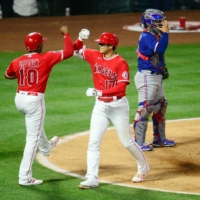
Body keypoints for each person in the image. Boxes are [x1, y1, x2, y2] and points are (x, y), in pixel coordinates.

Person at [73, 29, 150, 189]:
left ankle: (143, 169)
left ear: (111, 45)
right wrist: (80, 38)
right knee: (93, 142)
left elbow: (121, 87)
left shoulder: (120, 62)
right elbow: (74, 50)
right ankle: (92, 178)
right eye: (99, 43)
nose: (99, 45)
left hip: (118, 106)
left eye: (102, 43)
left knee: (127, 142)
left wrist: (100, 91)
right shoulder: (94, 55)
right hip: (100, 106)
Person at [5, 26, 73, 186]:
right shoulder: (46, 57)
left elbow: (7, 75)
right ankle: (24, 177)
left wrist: (23, 72)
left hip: (19, 100)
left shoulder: (17, 61)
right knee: (32, 138)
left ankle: (47, 148)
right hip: (34, 102)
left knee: (35, 126)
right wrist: (66, 35)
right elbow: (69, 52)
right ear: (39, 46)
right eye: (41, 43)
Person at [133, 8, 176, 151]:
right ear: (150, 22)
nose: (162, 23)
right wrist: (167, 33)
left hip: (156, 76)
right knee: (146, 108)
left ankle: (159, 139)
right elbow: (160, 50)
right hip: (147, 76)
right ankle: (138, 142)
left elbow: (158, 57)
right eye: (158, 21)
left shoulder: (155, 34)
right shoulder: (147, 36)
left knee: (161, 105)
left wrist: (163, 69)